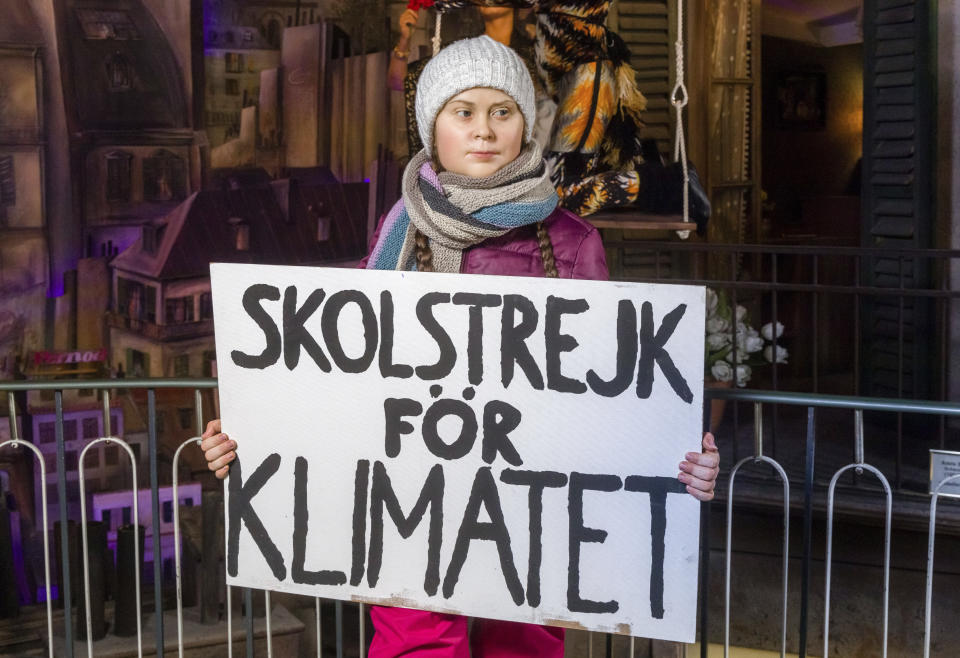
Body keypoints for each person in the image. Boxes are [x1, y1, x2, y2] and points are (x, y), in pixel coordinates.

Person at [201, 36, 719, 657]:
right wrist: (259, 436)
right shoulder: (397, 231)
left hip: (531, 505)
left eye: (502, 111)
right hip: (413, 500)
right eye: (463, 111)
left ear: (526, 125)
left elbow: (612, 392)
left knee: (522, 645)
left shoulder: (573, 242)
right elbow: (347, 369)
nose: (484, 129)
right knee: (414, 644)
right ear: (433, 129)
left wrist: (675, 457)